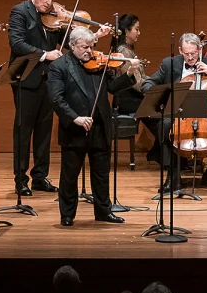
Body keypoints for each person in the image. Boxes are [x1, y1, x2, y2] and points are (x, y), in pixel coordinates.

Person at [7, 0, 111, 196]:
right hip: (26, 79)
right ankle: (20, 180)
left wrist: (94, 36)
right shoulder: (20, 12)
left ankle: (40, 177)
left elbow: (71, 39)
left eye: (53, 0)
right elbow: (17, 43)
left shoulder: (54, 19)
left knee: (44, 130)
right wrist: (45, 54)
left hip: (49, 79)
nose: (50, 3)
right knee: (24, 130)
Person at [47, 26, 140, 226]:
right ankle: (67, 214)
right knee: (70, 175)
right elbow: (56, 99)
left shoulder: (99, 64)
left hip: (100, 125)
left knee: (101, 174)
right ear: (72, 46)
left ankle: (103, 211)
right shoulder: (59, 66)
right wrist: (75, 118)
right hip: (75, 129)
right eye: (84, 47)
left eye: (91, 46)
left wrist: (130, 73)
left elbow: (112, 87)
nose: (89, 51)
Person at [141, 33, 207, 192]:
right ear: (180, 50)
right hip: (179, 113)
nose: (190, 57)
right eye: (186, 54)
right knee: (164, 125)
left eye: (194, 53)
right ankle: (172, 175)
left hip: (206, 113)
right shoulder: (169, 64)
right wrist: (159, 93)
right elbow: (149, 82)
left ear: (199, 49)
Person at [114, 13, 160, 160]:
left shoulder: (129, 49)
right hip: (126, 99)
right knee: (158, 116)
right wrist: (152, 89)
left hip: (134, 97)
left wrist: (155, 84)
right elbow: (134, 82)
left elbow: (142, 77)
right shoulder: (122, 51)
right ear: (127, 31)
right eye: (137, 29)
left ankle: (158, 151)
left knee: (161, 112)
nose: (139, 33)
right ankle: (162, 153)